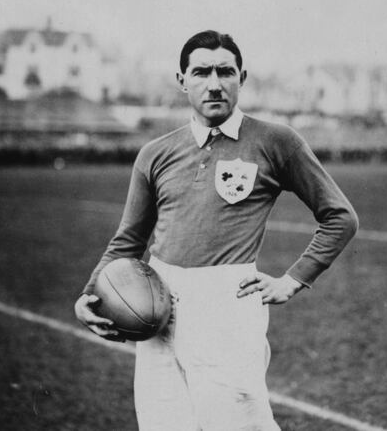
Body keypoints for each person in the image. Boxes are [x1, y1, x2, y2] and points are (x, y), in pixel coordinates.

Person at [75, 30, 358, 431]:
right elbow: (128, 241)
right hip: (156, 303)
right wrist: (89, 295)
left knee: (238, 423)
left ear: (242, 77)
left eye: (225, 71)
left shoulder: (276, 141)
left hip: (227, 302)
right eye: (201, 72)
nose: (214, 83)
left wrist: (293, 280)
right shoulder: (155, 153)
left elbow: (340, 217)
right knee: (163, 424)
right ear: (182, 80)